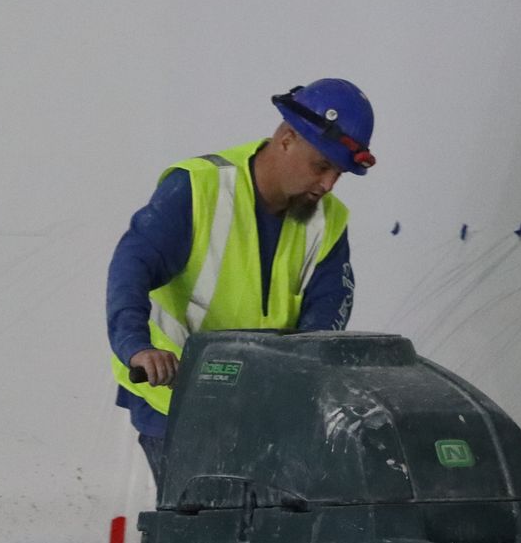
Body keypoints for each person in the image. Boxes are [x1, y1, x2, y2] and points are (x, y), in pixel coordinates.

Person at [105, 79, 375, 489]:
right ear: (286, 139)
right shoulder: (197, 189)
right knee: (202, 528)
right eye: (322, 166)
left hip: (261, 408)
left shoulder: (328, 221)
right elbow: (130, 269)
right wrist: (138, 348)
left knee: (255, 534)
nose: (327, 185)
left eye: (339, 173)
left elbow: (324, 316)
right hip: (179, 402)